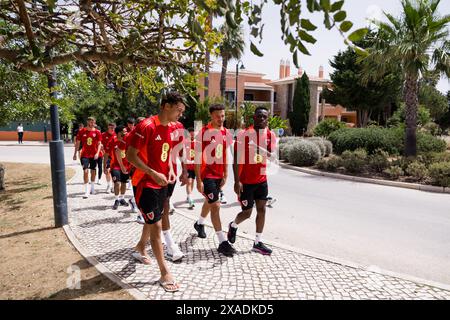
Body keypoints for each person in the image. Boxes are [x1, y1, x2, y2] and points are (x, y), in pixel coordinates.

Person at [126, 91, 185, 293]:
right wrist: (152, 172)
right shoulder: (146, 126)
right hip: (144, 182)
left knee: (154, 219)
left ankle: (140, 248)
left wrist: (168, 167)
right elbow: (130, 156)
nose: (180, 114)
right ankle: (164, 272)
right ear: (166, 106)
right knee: (157, 225)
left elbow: (166, 152)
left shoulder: (171, 127)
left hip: (161, 181)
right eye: (178, 110)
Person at [227, 107, 276, 255]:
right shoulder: (243, 134)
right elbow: (235, 159)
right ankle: (233, 225)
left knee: (262, 210)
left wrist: (259, 149)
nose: (262, 119)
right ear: (254, 117)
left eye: (265, 117)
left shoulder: (270, 135)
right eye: (259, 116)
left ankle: (257, 242)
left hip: (261, 180)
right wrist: (236, 181)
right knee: (247, 213)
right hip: (246, 181)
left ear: (267, 119)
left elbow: (272, 157)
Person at [193, 103, 235, 257]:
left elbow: (225, 154)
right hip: (206, 175)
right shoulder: (203, 133)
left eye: (223, 116)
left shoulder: (226, 133)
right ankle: (222, 241)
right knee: (215, 205)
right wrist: (198, 180)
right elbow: (197, 157)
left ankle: (199, 223)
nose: (221, 119)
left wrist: (225, 174)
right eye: (218, 116)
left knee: (210, 202)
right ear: (211, 116)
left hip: (218, 175)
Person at [73, 117, 102, 198]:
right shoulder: (82, 131)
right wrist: (75, 154)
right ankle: (86, 191)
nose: (92, 123)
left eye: (93, 121)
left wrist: (97, 153)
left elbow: (99, 143)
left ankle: (92, 188)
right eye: (90, 121)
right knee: (85, 171)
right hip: (84, 154)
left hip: (94, 155)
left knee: (93, 171)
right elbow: (78, 143)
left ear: (95, 122)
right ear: (87, 122)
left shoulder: (97, 132)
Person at [109, 125, 131, 210]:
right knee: (117, 183)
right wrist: (105, 165)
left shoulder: (127, 140)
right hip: (115, 166)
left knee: (124, 183)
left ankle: (122, 198)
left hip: (126, 166)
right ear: (119, 133)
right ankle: (116, 199)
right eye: (124, 131)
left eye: (126, 131)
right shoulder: (113, 141)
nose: (126, 133)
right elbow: (107, 153)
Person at [102, 123, 116, 193]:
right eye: (110, 128)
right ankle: (108, 185)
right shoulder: (103, 135)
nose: (112, 129)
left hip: (116, 157)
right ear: (108, 128)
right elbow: (99, 143)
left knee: (114, 172)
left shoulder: (117, 135)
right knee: (107, 171)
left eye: (113, 128)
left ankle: (113, 186)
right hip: (107, 156)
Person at [185, 127, 197, 209]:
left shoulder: (197, 143)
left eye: (193, 135)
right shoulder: (185, 143)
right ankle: (190, 199)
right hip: (188, 166)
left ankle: (189, 195)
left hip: (195, 167)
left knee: (192, 182)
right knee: (189, 182)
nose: (192, 136)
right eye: (191, 135)